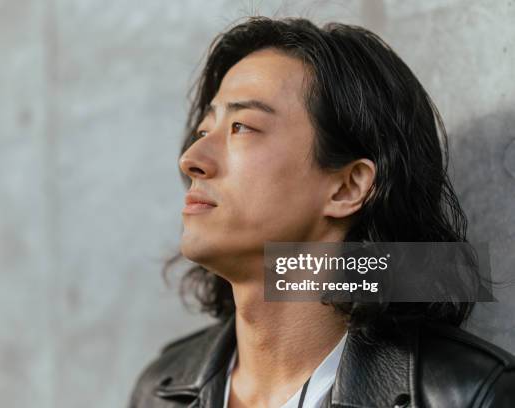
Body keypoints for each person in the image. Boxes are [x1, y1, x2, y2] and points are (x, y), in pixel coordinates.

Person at [128, 16, 515, 407]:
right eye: (203, 130)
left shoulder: (469, 397)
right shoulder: (161, 390)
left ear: (348, 187)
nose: (191, 160)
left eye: (242, 126)